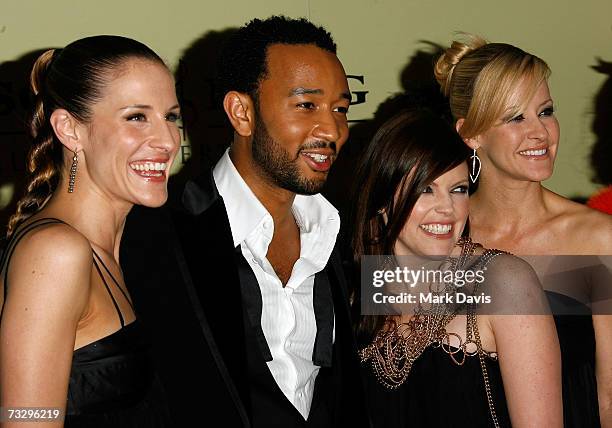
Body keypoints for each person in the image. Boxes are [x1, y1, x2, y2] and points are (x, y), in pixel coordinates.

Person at [120, 16, 370, 428]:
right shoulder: (157, 236)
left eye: (340, 109)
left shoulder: (343, 233)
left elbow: (440, 295)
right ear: (241, 112)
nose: (332, 129)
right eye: (306, 105)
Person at [0, 36, 180, 427]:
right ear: (70, 129)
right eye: (136, 117)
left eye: (171, 116)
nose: (167, 140)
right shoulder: (55, 252)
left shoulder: (128, 246)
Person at [435, 35, 612, 427]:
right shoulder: (438, 235)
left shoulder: (600, 239)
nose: (540, 133)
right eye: (516, 117)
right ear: (471, 134)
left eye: (545, 111)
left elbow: (609, 398)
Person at [351, 108, 562, 427]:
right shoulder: (355, 293)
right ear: (382, 199)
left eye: (458, 189)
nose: (447, 209)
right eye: (425, 190)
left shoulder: (503, 281)